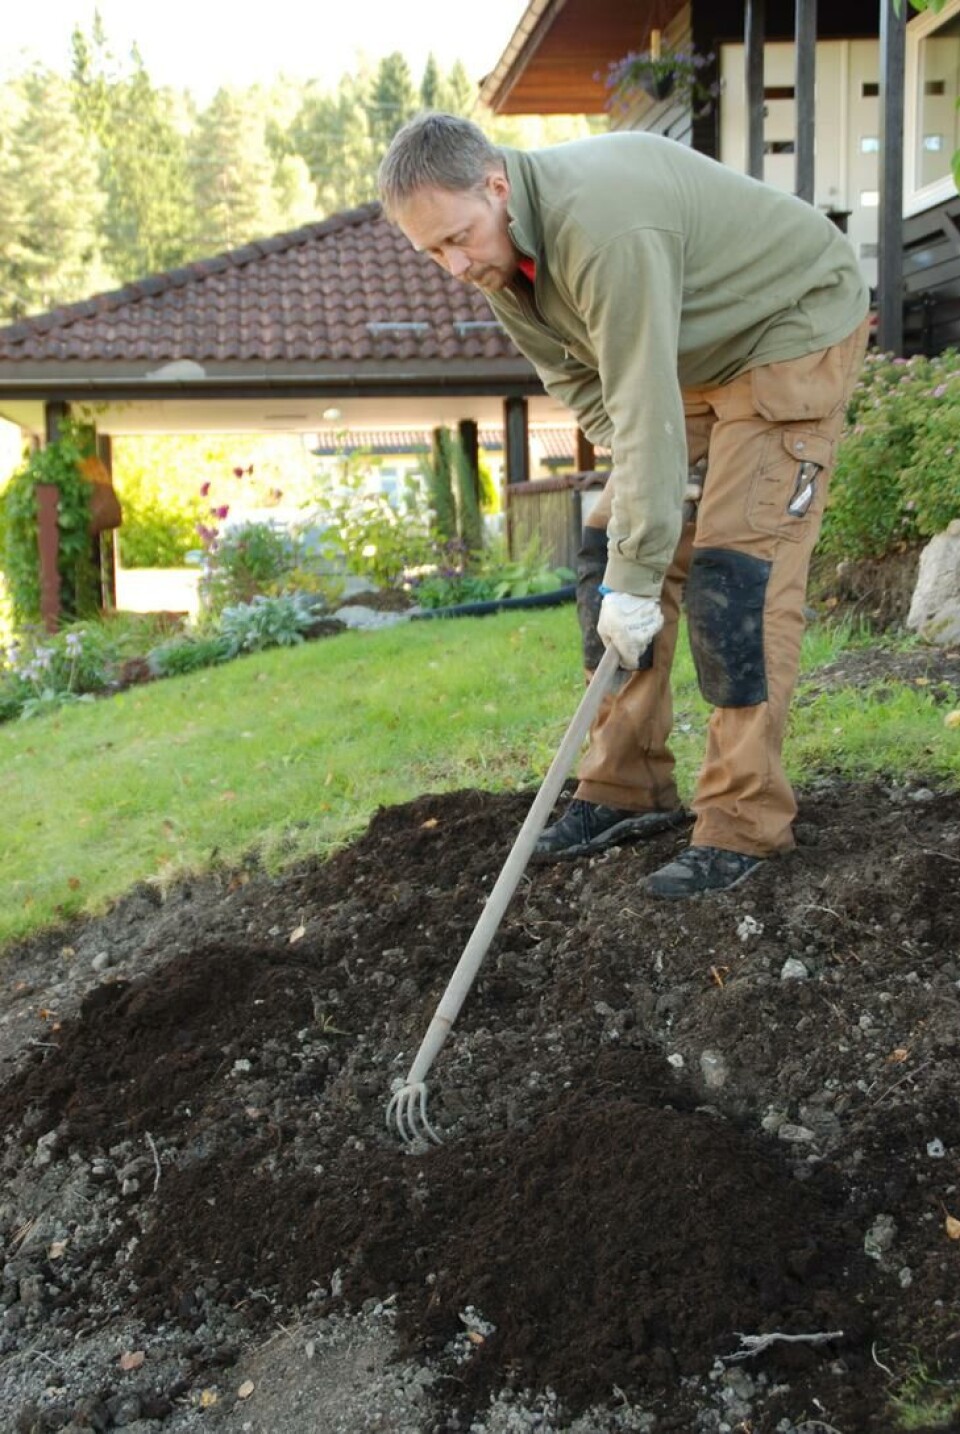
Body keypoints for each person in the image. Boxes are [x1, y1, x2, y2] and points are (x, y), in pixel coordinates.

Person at [378, 113, 869, 898]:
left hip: (788, 327)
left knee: (737, 578)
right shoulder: (501, 260)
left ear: (497, 186)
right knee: (605, 560)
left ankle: (743, 820)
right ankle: (624, 783)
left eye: (459, 237)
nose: (454, 264)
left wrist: (643, 561)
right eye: (432, 250)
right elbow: (585, 390)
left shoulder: (601, 231)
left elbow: (641, 401)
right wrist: (651, 498)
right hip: (693, 353)